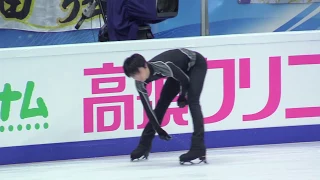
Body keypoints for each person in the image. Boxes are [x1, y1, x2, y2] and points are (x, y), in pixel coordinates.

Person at [123, 48, 208, 164]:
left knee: (193, 101)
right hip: (178, 73)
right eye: (133, 76)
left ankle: (198, 148)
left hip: (195, 64)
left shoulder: (163, 65)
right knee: (162, 104)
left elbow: (185, 80)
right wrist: (158, 129)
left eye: (137, 73)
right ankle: (144, 145)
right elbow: (148, 108)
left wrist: (182, 96)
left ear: (145, 65)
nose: (136, 77)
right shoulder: (139, 82)